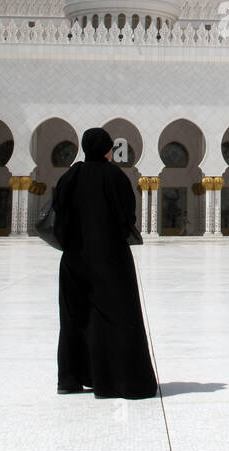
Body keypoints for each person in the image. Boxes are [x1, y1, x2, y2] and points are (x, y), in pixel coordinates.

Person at [54, 127, 158, 400]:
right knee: (117, 317)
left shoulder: (70, 176)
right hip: (109, 259)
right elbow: (127, 216)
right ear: (106, 149)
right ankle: (118, 381)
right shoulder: (114, 176)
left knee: (75, 317)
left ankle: (71, 378)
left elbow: (59, 214)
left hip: (74, 259)